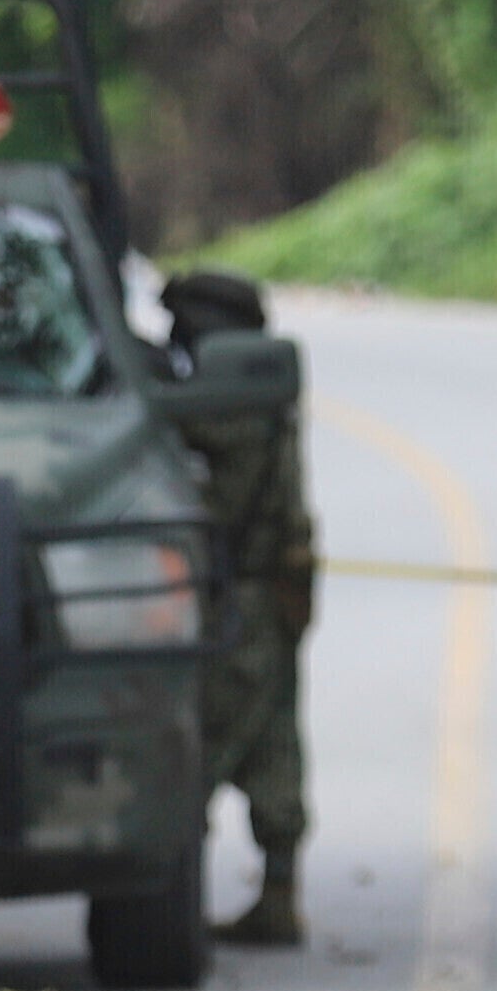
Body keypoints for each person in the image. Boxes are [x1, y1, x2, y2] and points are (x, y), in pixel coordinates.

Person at [165, 265, 319, 947]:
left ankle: (191, 898)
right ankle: (278, 892)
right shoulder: (259, 390)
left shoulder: (230, 401)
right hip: (265, 586)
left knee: (206, 740)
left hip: (240, 591)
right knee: (270, 742)